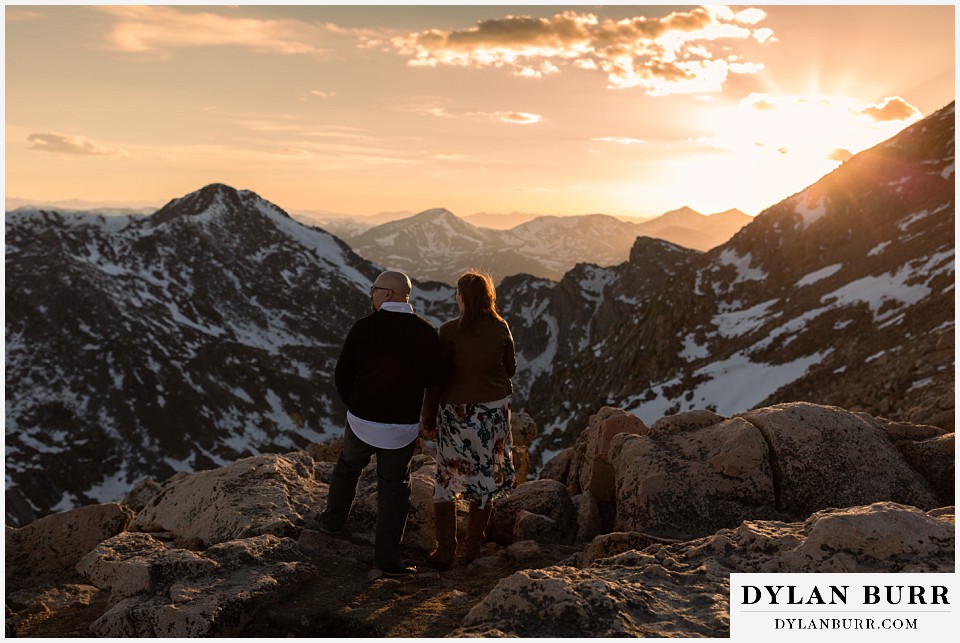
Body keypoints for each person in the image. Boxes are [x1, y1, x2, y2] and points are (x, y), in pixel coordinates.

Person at [320, 270, 443, 577]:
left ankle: (332, 524)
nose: (371, 294)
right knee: (394, 488)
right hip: (400, 428)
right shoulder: (426, 332)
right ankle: (386, 560)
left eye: (373, 289)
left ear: (387, 294)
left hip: (362, 421)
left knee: (348, 467)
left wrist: (356, 404)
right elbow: (436, 381)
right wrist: (424, 416)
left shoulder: (364, 328)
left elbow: (342, 373)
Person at [420, 270, 517, 569]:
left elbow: (436, 379)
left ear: (461, 297)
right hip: (493, 412)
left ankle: (446, 550)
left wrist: (428, 416)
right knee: (486, 475)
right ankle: (473, 547)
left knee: (447, 477)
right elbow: (510, 369)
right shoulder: (501, 327)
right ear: (489, 297)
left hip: (458, 412)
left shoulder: (448, 331)